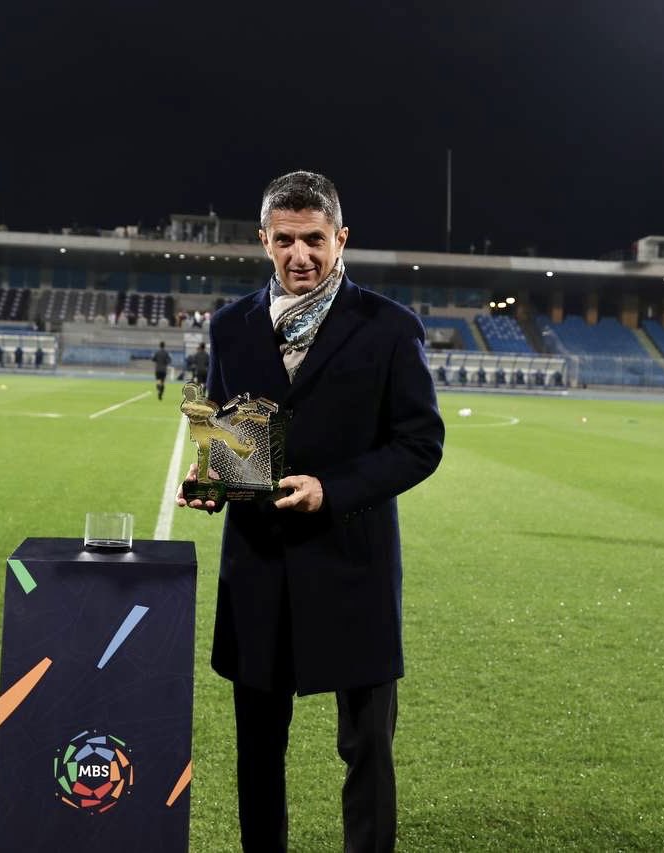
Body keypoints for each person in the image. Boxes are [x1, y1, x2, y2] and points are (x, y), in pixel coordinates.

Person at [176, 170, 444, 852]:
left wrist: (332, 488)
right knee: (258, 749)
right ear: (263, 240)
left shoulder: (390, 327)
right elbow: (234, 438)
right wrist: (213, 480)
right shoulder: (230, 326)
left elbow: (420, 445)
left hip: (352, 562)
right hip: (258, 567)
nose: (300, 255)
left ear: (340, 239)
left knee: (367, 748)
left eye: (315, 240)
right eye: (286, 240)